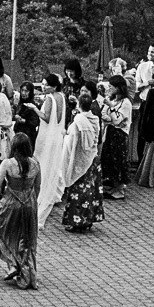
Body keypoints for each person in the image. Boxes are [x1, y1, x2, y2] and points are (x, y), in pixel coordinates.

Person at [0, 133, 39, 288]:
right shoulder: (35, 163)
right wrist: (32, 199)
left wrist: (0, 199)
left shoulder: (8, 163)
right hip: (29, 202)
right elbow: (38, 186)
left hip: (11, 202)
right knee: (27, 238)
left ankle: (13, 263)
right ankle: (27, 269)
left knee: (5, 234)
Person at [60, 91, 106, 232]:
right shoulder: (95, 119)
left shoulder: (78, 120)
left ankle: (77, 220)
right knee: (92, 191)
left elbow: (72, 140)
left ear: (79, 104)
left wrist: (64, 134)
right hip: (93, 159)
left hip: (80, 160)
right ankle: (90, 219)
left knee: (78, 191)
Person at [34, 73, 71, 214]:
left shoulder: (49, 98)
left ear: (54, 86)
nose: (43, 87)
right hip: (57, 135)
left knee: (43, 162)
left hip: (46, 134)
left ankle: (43, 190)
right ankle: (54, 192)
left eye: (46, 85)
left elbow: (47, 117)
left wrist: (34, 109)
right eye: (42, 84)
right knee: (54, 163)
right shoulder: (61, 96)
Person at [99, 75, 135, 199]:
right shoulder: (113, 99)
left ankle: (119, 189)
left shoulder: (125, 103)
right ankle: (112, 186)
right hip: (110, 133)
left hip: (119, 135)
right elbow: (104, 114)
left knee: (118, 161)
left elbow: (118, 120)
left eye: (111, 86)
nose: (109, 89)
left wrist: (112, 110)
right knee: (109, 160)